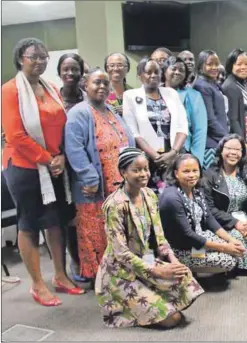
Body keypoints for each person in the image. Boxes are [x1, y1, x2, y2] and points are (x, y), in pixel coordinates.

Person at [2, 37, 82, 306]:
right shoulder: (10, 90)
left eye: (43, 57)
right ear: (20, 58)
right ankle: (37, 284)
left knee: (55, 220)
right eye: (32, 56)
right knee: (29, 225)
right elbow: (15, 136)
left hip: (54, 165)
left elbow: (61, 125)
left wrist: (59, 156)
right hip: (25, 167)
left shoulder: (51, 89)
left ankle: (60, 276)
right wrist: (48, 158)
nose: (39, 61)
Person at [95, 148, 204, 328]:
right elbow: (121, 253)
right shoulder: (115, 205)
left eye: (145, 169)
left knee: (185, 280)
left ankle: (153, 301)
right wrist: (157, 271)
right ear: (123, 172)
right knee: (173, 319)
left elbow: (160, 238)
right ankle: (127, 306)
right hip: (122, 272)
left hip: (146, 259)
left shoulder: (149, 195)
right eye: (136, 170)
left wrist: (173, 261)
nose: (144, 174)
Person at [65, 68, 135, 280]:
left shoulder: (111, 110)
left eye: (106, 83)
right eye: (97, 82)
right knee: (95, 232)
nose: (102, 87)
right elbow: (74, 148)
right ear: (85, 85)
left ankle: (117, 272)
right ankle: (99, 275)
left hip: (117, 186)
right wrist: (89, 178)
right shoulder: (79, 113)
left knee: (115, 230)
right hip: (94, 188)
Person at [159, 154, 243, 273]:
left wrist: (230, 240)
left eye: (195, 170)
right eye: (186, 171)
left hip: (199, 238)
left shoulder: (195, 189)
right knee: (228, 259)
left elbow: (209, 218)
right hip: (184, 249)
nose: (192, 175)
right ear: (176, 173)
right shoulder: (172, 197)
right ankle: (190, 271)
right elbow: (188, 235)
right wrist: (225, 248)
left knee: (237, 243)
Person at [202, 134, 247, 271]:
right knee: (237, 235)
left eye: (238, 150)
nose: (233, 153)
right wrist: (235, 223)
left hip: (245, 217)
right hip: (222, 220)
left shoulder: (246, 173)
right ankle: (237, 266)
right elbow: (209, 209)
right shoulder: (210, 175)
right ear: (221, 150)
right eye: (229, 148)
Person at [123, 57, 189, 194]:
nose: (153, 75)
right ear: (140, 75)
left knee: (176, 197)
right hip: (147, 160)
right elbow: (133, 132)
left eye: (157, 72)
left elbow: (182, 126)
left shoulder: (171, 93)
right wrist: (155, 156)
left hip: (173, 157)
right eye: (148, 72)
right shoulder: (130, 96)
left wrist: (173, 152)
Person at [56, 52, 85, 282]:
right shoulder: (53, 100)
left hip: (86, 165)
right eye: (65, 69)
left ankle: (91, 260)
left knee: (88, 216)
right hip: (60, 168)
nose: (70, 73)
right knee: (69, 218)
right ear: (59, 71)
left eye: (74, 69)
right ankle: (75, 261)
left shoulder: (88, 98)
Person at [162, 56, 207, 164]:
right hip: (159, 151)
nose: (177, 72)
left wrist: (196, 160)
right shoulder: (155, 92)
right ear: (164, 71)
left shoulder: (193, 95)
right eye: (174, 68)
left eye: (181, 70)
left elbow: (200, 131)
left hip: (184, 151)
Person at [193, 50, 229, 169]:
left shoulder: (212, 84)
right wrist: (227, 138)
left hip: (219, 141)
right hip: (211, 144)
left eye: (216, 64)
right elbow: (209, 119)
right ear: (201, 66)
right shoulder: (201, 86)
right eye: (209, 64)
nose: (214, 67)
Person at [222, 49, 247, 158]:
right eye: (239, 64)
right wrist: (243, 144)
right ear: (231, 66)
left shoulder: (241, 83)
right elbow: (233, 119)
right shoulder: (231, 86)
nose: (244, 67)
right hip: (242, 137)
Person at [104, 52, 132, 117]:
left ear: (127, 68)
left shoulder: (133, 92)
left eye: (120, 65)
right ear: (106, 69)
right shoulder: (102, 92)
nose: (116, 69)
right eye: (112, 65)